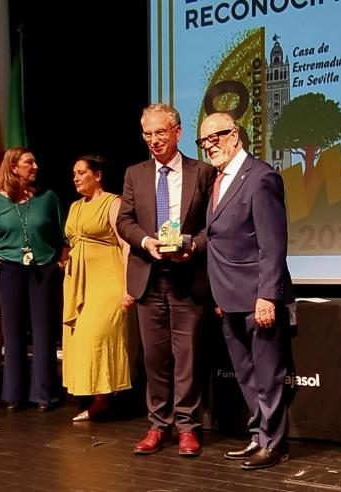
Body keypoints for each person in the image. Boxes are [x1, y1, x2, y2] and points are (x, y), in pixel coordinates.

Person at [117, 103, 215, 457]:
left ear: (177, 132)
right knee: (155, 358)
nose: (154, 140)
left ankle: (188, 427)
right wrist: (146, 241)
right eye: (147, 134)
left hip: (188, 277)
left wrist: (193, 246)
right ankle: (159, 424)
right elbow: (125, 221)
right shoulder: (135, 173)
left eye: (160, 132)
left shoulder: (202, 172)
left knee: (187, 358)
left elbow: (213, 226)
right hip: (149, 276)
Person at [198, 112, 295, 471]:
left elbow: (273, 244)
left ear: (235, 135)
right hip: (228, 298)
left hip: (258, 297)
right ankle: (258, 436)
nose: (209, 146)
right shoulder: (217, 180)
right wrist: (219, 295)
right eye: (203, 141)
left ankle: (274, 443)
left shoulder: (261, 177)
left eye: (216, 137)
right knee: (246, 374)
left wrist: (268, 295)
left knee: (268, 374)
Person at [0, 146, 66, 413]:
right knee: (12, 331)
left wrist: (60, 261)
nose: (35, 166)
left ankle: (44, 394)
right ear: (13, 167)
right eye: (29, 162)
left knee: (43, 331)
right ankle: (14, 393)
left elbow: (64, 235)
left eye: (35, 162)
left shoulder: (47, 198)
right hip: (11, 270)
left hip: (43, 269)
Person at [62, 155, 135, 422]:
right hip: (79, 283)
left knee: (97, 335)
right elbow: (71, 243)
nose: (76, 178)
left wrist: (128, 286)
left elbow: (125, 244)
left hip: (107, 281)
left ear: (98, 175)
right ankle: (99, 400)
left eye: (82, 172)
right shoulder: (74, 207)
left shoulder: (112, 203)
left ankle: (108, 396)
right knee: (79, 338)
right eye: (74, 174)